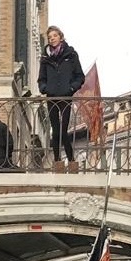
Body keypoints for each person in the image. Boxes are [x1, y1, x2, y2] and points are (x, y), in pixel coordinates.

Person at [38, 25, 85, 173]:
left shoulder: (71, 55)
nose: (52, 39)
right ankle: (58, 161)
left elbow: (80, 76)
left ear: (61, 37)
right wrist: (45, 88)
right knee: (56, 131)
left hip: (65, 96)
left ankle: (71, 161)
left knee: (63, 130)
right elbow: (41, 78)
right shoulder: (45, 58)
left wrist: (71, 88)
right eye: (50, 37)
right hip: (51, 97)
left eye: (54, 36)